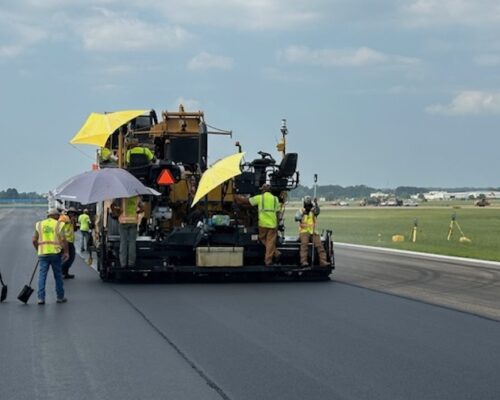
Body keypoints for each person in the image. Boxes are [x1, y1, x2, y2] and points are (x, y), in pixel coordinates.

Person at [235, 184, 281, 266]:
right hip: (273, 224)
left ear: (263, 190)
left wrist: (235, 197)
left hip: (263, 224)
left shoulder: (260, 197)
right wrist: (277, 225)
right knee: (270, 241)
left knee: (261, 238)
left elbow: (247, 201)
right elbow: (278, 213)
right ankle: (275, 253)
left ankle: (268, 261)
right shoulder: (275, 199)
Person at [32, 209, 69, 304]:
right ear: (56, 216)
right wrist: (66, 252)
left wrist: (38, 250)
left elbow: (34, 240)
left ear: (48, 215)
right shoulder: (59, 224)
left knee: (42, 276)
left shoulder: (39, 224)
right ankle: (60, 297)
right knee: (58, 275)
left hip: (43, 254)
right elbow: (63, 240)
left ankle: (41, 298)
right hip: (55, 254)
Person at [295, 196, 329, 267]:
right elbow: (296, 218)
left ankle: (323, 262)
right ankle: (304, 261)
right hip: (304, 232)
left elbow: (317, 211)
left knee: (319, 245)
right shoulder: (301, 210)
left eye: (309, 202)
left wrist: (316, 203)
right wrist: (303, 214)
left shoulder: (313, 210)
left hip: (313, 232)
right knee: (304, 245)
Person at [111, 196, 144, 267]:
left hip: (123, 222)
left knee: (123, 242)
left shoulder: (120, 196)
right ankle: (131, 263)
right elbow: (142, 209)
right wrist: (137, 212)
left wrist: (117, 213)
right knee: (132, 242)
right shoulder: (137, 197)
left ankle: (123, 263)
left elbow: (112, 206)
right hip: (133, 222)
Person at [59, 207, 78, 279]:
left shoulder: (72, 220)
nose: (72, 214)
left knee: (71, 257)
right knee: (67, 257)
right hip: (65, 241)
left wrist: (74, 222)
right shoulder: (64, 217)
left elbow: (75, 229)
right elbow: (60, 224)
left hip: (70, 241)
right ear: (68, 213)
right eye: (71, 213)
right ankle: (61, 271)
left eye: (73, 213)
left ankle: (65, 272)